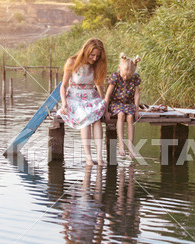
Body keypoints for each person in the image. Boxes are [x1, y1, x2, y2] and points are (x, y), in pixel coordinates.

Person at [58, 38, 108, 166]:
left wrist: (104, 103)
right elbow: (63, 86)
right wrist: (64, 103)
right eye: (92, 55)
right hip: (75, 97)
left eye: (97, 56)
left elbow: (98, 84)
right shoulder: (72, 62)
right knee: (86, 118)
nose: (95, 58)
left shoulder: (96, 64)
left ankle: (99, 157)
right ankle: (88, 158)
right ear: (86, 51)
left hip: (91, 97)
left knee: (96, 119)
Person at [104, 53, 141, 159]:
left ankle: (130, 145)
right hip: (116, 103)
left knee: (130, 117)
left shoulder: (135, 77)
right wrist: (106, 111)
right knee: (121, 114)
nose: (125, 78)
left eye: (128, 76)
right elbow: (108, 95)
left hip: (128, 104)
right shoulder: (115, 76)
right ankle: (121, 144)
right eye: (124, 75)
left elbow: (136, 94)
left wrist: (137, 110)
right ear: (119, 68)